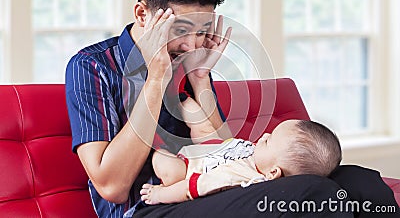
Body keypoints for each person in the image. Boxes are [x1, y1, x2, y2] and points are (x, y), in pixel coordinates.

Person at [65, 0, 231, 217]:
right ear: (143, 14)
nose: (192, 46)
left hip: (204, 198)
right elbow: (112, 187)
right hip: (144, 209)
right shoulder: (92, 67)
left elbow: (226, 156)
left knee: (309, 185)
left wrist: (200, 79)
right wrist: (155, 78)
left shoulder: (189, 59)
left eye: (201, 32)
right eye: (180, 31)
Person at [139, 97, 342, 205]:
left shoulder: (238, 178)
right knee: (200, 120)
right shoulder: (261, 158)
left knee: (167, 168)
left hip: (189, 167)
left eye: (269, 141)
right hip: (215, 146)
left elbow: (190, 188)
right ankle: (178, 96)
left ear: (273, 173)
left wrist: (160, 195)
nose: (263, 136)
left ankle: (148, 137)